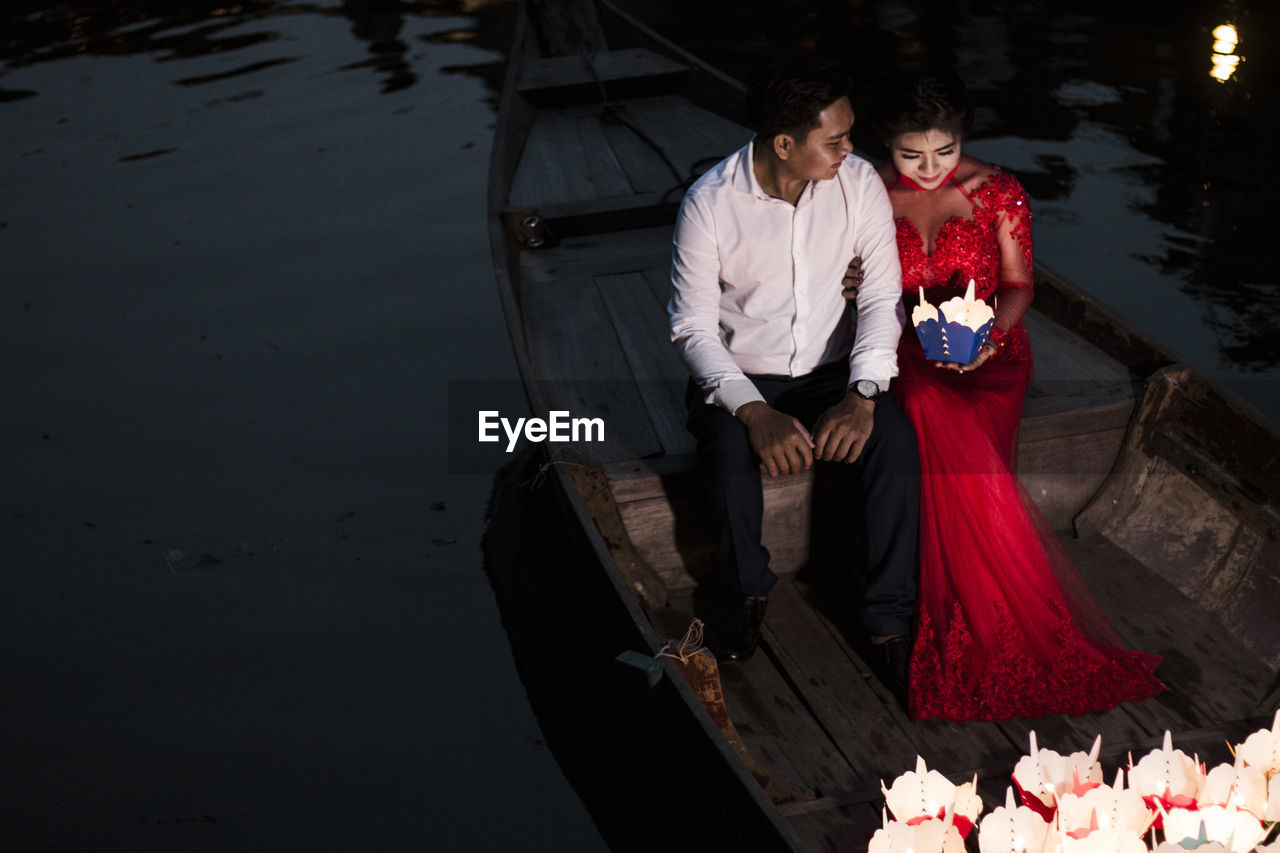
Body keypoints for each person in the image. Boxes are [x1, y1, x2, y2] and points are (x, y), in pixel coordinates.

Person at [845, 66, 1164, 720]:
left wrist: (992, 334)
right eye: (912, 154)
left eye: (945, 151)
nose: (930, 168)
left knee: (952, 419)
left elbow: (1019, 285)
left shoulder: (999, 192)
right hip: (910, 345)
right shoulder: (864, 192)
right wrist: (849, 280)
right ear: (886, 144)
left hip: (992, 351)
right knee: (928, 405)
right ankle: (957, 593)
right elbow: (856, 284)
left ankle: (984, 599)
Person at [668, 56, 920, 700]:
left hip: (835, 370)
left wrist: (863, 395)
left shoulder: (857, 183)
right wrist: (753, 412)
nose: (850, 149)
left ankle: (889, 619)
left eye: (849, 134)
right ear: (785, 144)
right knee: (725, 455)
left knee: (896, 443)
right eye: (834, 139)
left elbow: (882, 295)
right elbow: (693, 330)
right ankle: (744, 593)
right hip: (744, 375)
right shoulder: (709, 204)